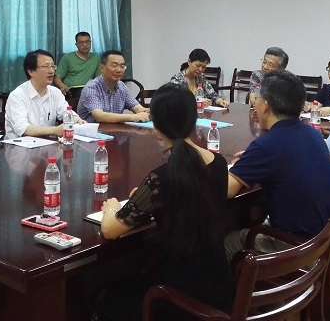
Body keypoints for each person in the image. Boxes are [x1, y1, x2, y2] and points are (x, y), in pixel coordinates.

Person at [97, 84, 233, 321]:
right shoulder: (219, 163)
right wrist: (148, 197)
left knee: (105, 294)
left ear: (157, 129)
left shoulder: (162, 177)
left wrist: (111, 208)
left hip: (177, 298)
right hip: (219, 286)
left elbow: (110, 229)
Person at [225, 70, 330, 259]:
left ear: (266, 106)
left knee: (226, 243)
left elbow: (226, 189)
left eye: (257, 99)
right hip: (328, 239)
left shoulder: (267, 145)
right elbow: (291, 160)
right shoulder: (312, 133)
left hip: (300, 248)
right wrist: (255, 159)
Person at [5, 49, 83, 139]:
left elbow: (66, 113)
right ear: (31, 71)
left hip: (47, 144)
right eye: (46, 67)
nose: (51, 71)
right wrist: (55, 130)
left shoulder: (55, 92)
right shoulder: (17, 96)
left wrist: (76, 119)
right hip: (19, 145)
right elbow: (22, 128)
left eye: (53, 66)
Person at [77, 50, 149, 123]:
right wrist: (133, 117)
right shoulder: (92, 87)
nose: (119, 70)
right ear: (102, 68)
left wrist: (151, 111)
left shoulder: (122, 87)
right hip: (92, 129)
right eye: (114, 66)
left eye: (122, 66)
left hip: (115, 129)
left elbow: (139, 109)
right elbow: (100, 116)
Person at [53, 31, 100, 98]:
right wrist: (62, 86)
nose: (85, 45)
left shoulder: (96, 58)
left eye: (87, 42)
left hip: (90, 89)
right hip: (72, 89)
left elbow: (98, 78)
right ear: (76, 44)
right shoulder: (67, 58)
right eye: (81, 43)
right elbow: (57, 77)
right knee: (85, 93)